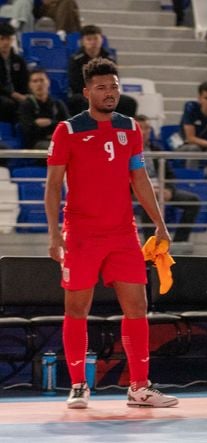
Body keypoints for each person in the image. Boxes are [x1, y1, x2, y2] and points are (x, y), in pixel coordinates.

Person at [44, 57, 179, 409]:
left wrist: (160, 224)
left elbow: (139, 178)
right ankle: (77, 385)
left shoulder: (130, 128)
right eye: (102, 87)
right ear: (87, 91)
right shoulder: (68, 130)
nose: (110, 93)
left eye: (114, 86)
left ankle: (139, 387)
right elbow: (53, 185)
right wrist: (54, 234)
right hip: (81, 234)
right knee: (77, 308)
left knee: (137, 307)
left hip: (123, 233)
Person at [136, 115, 200, 244]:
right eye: (140, 128)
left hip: (161, 186)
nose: (144, 131)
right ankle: (152, 245)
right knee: (149, 200)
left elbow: (170, 175)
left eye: (147, 128)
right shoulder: (125, 151)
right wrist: (148, 190)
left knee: (193, 201)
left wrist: (168, 189)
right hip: (137, 190)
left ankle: (179, 242)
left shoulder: (157, 149)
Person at [68, 25, 137, 117]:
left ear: (101, 40)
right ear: (82, 42)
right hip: (85, 94)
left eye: (96, 38)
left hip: (107, 92)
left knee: (129, 102)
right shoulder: (76, 59)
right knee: (79, 101)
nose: (93, 42)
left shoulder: (109, 58)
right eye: (89, 39)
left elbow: (115, 80)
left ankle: (122, 128)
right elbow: (75, 83)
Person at [18, 68, 70, 165]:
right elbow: (28, 130)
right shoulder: (26, 105)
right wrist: (53, 127)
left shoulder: (58, 104)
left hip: (58, 141)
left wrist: (49, 123)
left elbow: (68, 127)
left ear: (48, 82)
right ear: (30, 85)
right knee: (56, 148)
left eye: (42, 80)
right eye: (35, 81)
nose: (39, 84)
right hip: (37, 144)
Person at [0, 22, 28, 124]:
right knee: (8, 104)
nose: (6, 42)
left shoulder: (18, 60)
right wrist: (13, 94)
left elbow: (25, 81)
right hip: (3, 96)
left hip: (17, 95)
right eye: (2, 39)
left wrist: (26, 95)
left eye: (8, 39)